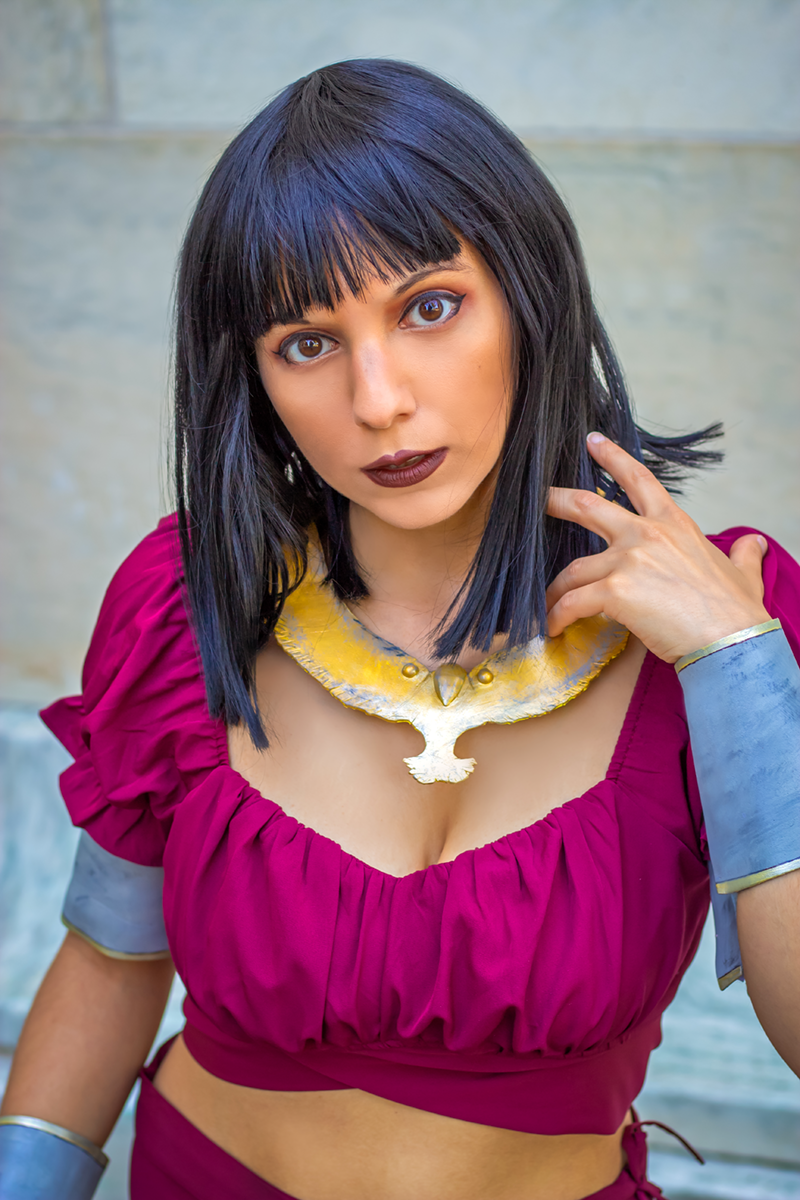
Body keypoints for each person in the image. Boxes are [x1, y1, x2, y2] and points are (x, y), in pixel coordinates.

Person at [0, 59, 798, 1200]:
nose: (378, 400)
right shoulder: (185, 602)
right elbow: (107, 961)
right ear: (252, 376)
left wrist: (734, 664)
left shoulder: (735, 612)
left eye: (428, 307)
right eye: (307, 342)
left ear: (528, 290)